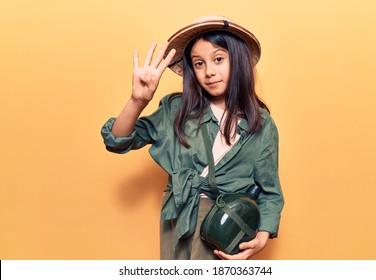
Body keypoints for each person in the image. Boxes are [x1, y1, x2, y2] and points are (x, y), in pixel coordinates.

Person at [101, 15, 284, 260]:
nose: (209, 71)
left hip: (226, 228)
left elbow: (269, 190)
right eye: (199, 64)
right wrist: (137, 101)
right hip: (180, 218)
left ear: (238, 60)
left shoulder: (261, 124)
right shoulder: (178, 110)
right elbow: (117, 141)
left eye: (218, 59)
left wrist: (262, 237)